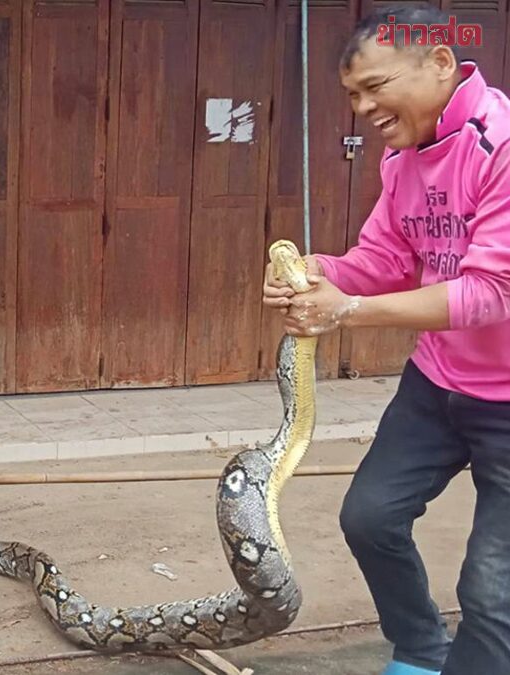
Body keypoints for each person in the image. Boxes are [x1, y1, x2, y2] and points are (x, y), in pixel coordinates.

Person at [263, 6, 510, 675]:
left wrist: (346, 310)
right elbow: (380, 261)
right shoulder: (404, 161)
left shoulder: (503, 146)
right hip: (438, 385)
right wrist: (314, 275)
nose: (363, 107)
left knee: (492, 595)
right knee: (370, 517)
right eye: (352, 95)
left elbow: (492, 292)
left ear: (437, 62)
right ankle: (421, 648)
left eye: (375, 86)